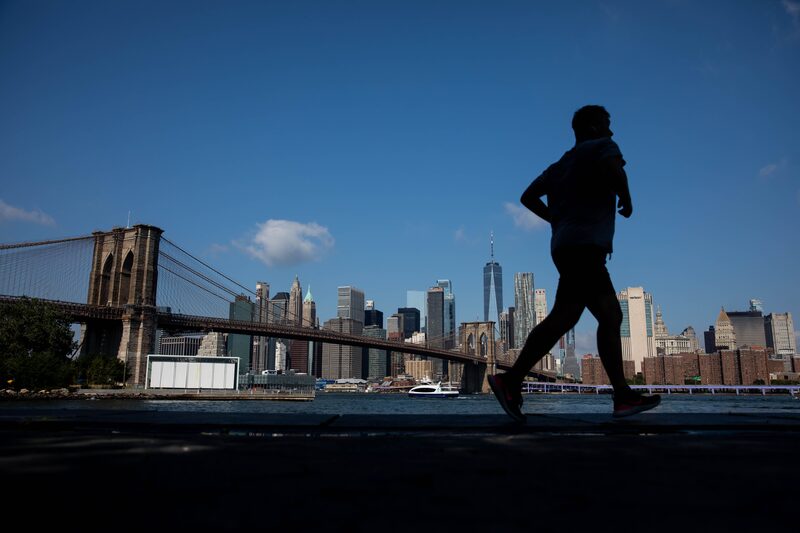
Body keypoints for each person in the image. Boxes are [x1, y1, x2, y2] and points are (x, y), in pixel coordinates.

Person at [488, 105, 660, 422]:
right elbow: (614, 169)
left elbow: (527, 196)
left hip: (564, 245)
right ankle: (620, 396)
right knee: (600, 315)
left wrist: (555, 219)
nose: (612, 130)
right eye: (607, 123)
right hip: (586, 247)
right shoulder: (602, 147)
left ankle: (511, 380)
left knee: (572, 317)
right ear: (592, 126)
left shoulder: (560, 164)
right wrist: (627, 195)